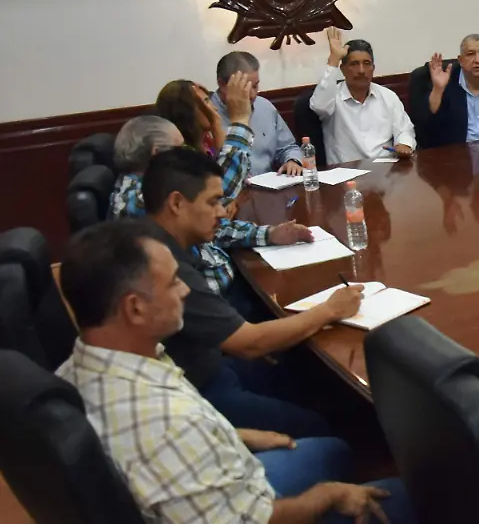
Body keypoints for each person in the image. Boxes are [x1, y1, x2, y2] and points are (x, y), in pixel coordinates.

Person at [55, 220, 415, 523]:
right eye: (173, 282)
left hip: (218, 472)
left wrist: (233, 434)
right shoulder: (167, 423)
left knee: (333, 450)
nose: (185, 290)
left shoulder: (77, 369)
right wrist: (326, 496)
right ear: (134, 309)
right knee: (417, 497)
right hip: (248, 510)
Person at [142, 148, 364, 437]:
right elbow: (250, 343)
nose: (222, 212)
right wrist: (330, 309)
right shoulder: (165, 269)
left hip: (213, 362)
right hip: (202, 390)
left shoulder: (155, 238)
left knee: (312, 378)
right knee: (320, 426)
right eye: (213, 202)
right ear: (176, 204)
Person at [111, 115, 312, 307]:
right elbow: (223, 190)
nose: (186, 156)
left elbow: (215, 228)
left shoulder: (149, 188)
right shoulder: (137, 201)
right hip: (219, 304)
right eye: (180, 149)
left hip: (232, 289)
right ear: (157, 155)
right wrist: (240, 117)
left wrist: (270, 234)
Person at [310, 28, 416, 164]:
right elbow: (318, 106)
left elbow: (404, 129)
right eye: (354, 64)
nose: (361, 70)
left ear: (373, 68)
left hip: (385, 168)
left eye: (366, 64)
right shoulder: (332, 96)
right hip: (347, 170)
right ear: (343, 69)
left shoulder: (388, 96)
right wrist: (333, 61)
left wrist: (404, 144)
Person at [211, 51, 305, 176]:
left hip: (269, 183)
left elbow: (288, 147)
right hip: (230, 185)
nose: (252, 95)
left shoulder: (264, 107)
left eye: (255, 86)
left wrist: (292, 160)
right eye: (244, 87)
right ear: (222, 84)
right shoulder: (206, 115)